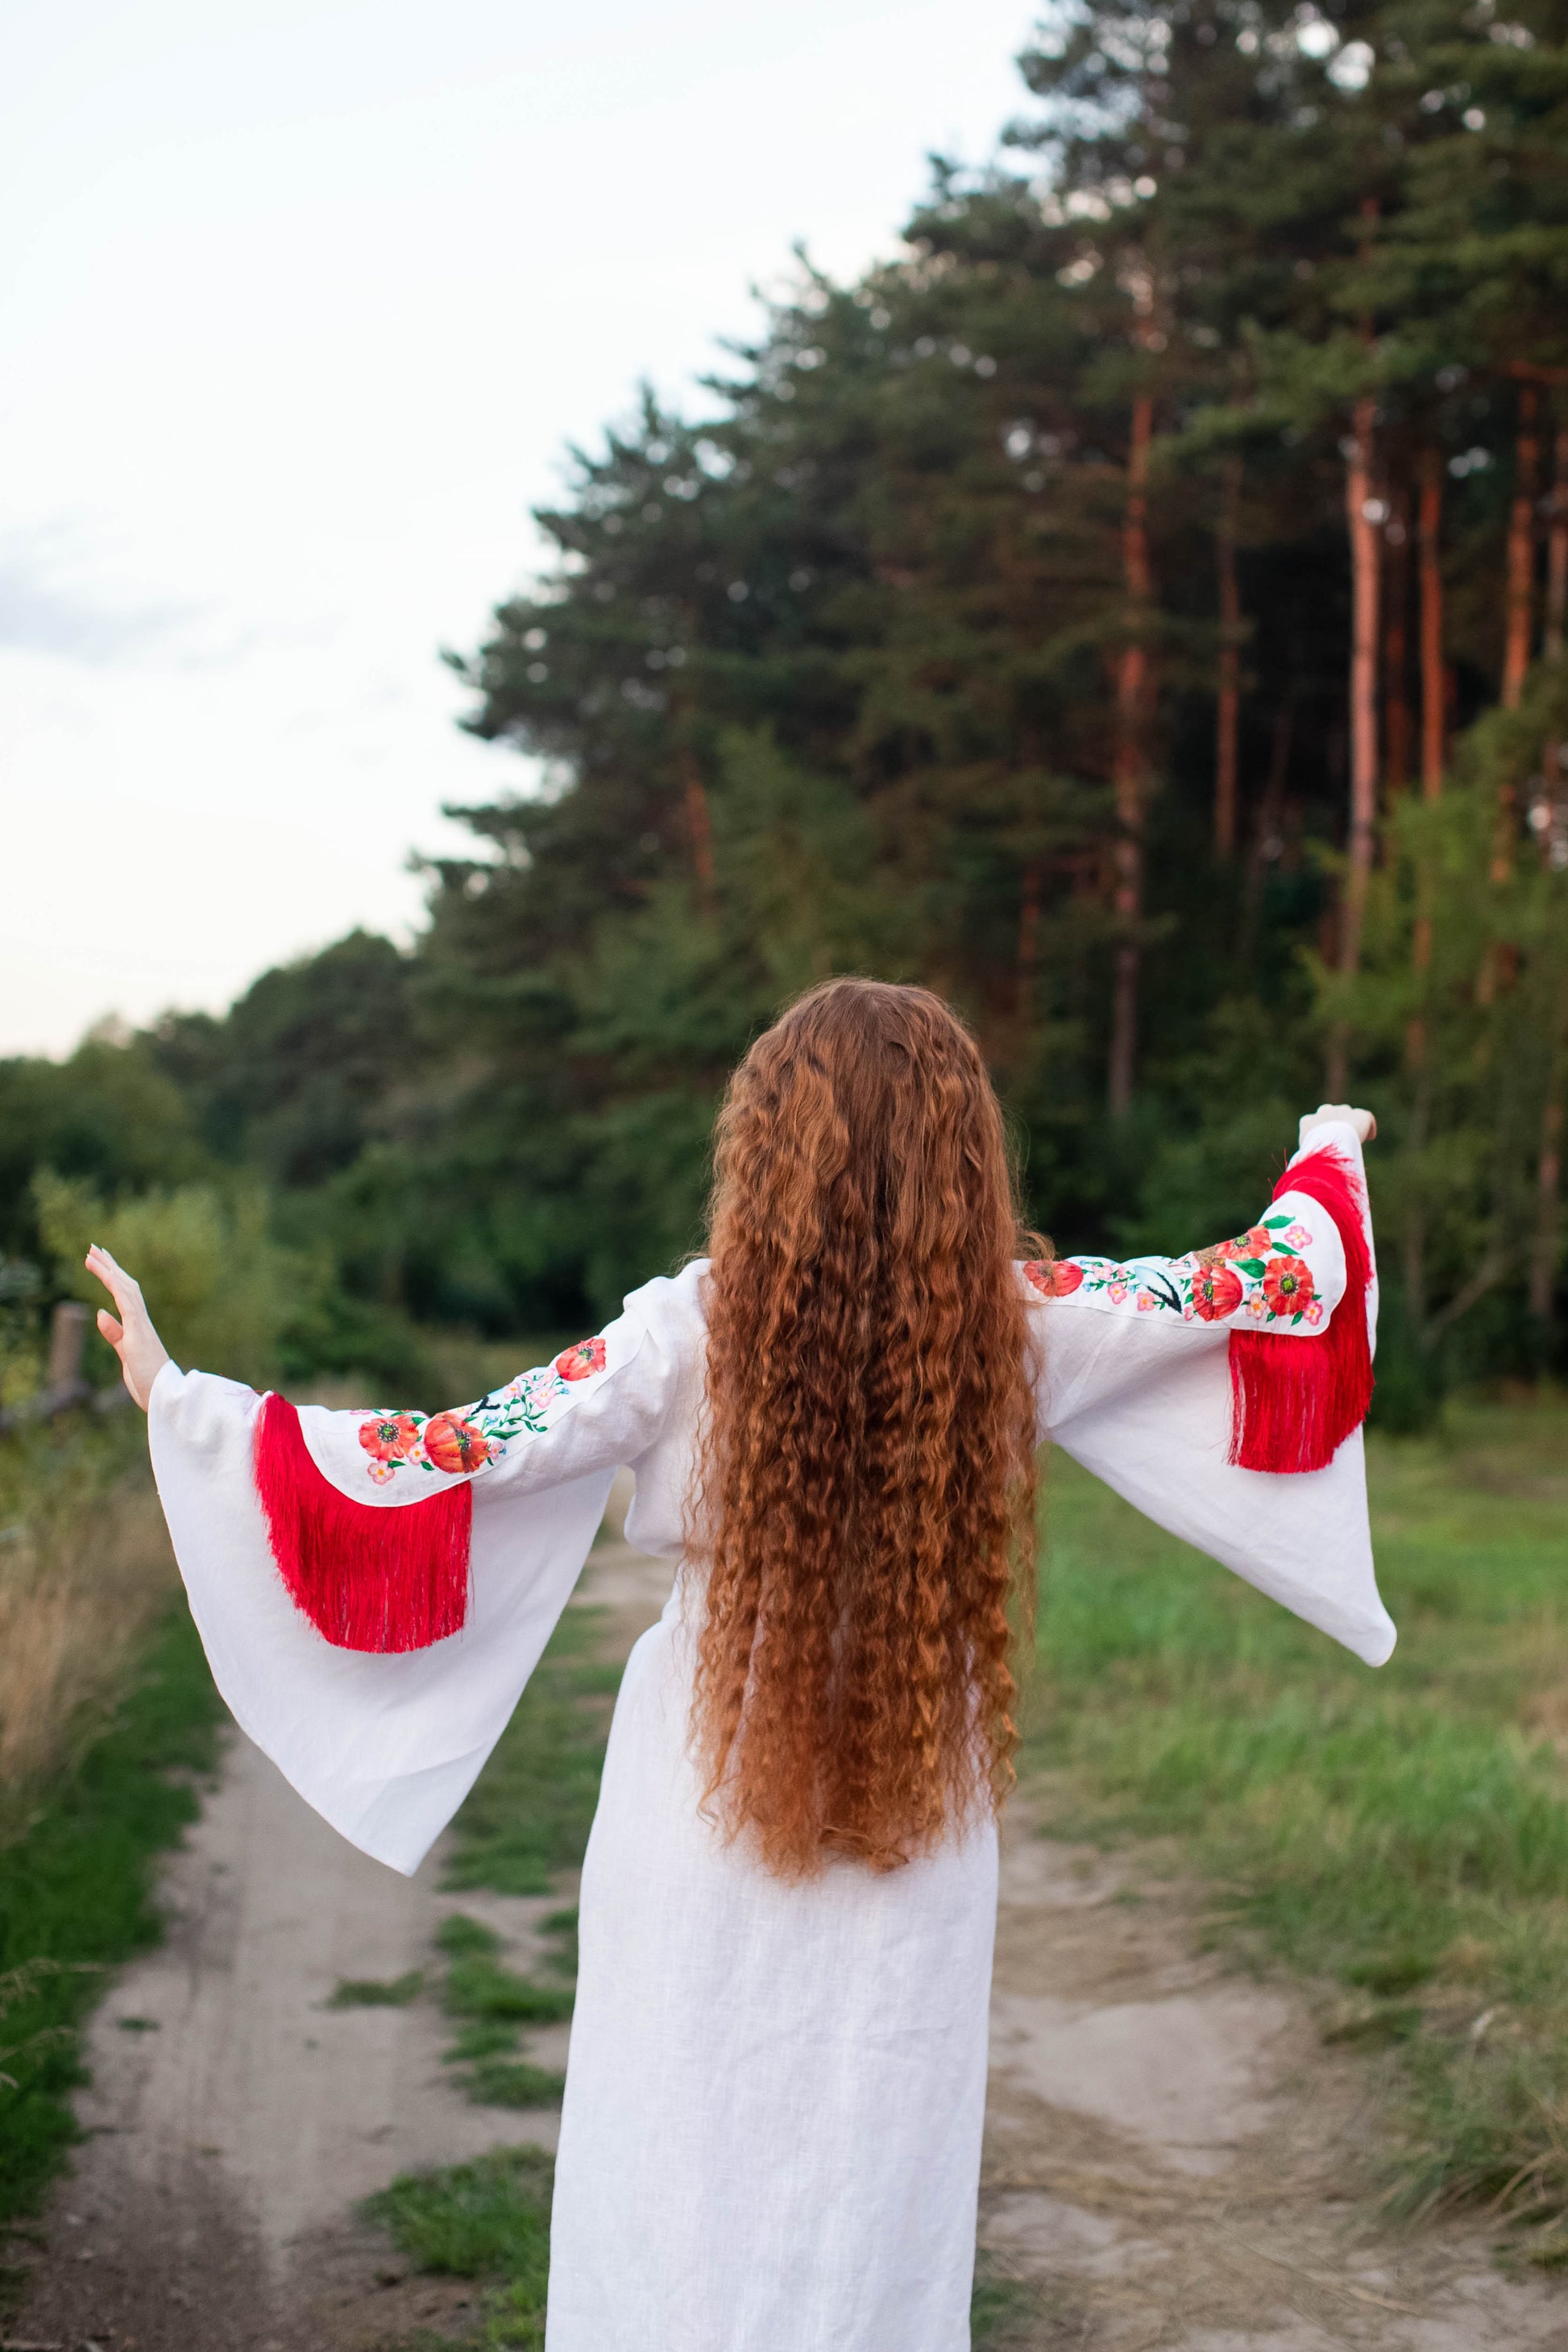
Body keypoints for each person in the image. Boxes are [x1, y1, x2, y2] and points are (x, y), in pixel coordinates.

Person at [89, 977, 1389, 2352]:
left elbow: (441, 1457)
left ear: (766, 1143)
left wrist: (188, 1406)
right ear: (962, 1150)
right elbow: (1274, 1281)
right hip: (919, 1803)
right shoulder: (1027, 1321)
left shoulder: (682, 1330)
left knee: (676, 2160)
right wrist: (1326, 1145)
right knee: (875, 2162)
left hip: (699, 1796)